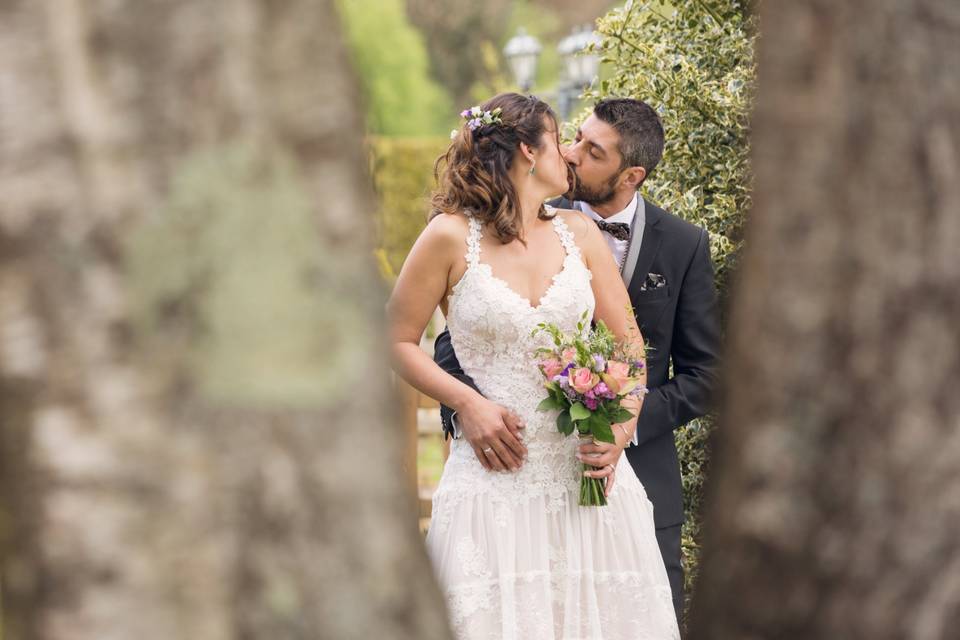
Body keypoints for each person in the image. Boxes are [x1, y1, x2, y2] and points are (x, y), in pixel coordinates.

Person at [388, 92, 679, 639]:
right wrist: (466, 403)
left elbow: (630, 348)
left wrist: (618, 432)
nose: (569, 154)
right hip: (491, 487)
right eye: (559, 139)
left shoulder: (581, 234)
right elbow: (397, 338)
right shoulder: (449, 236)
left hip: (587, 487)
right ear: (527, 151)